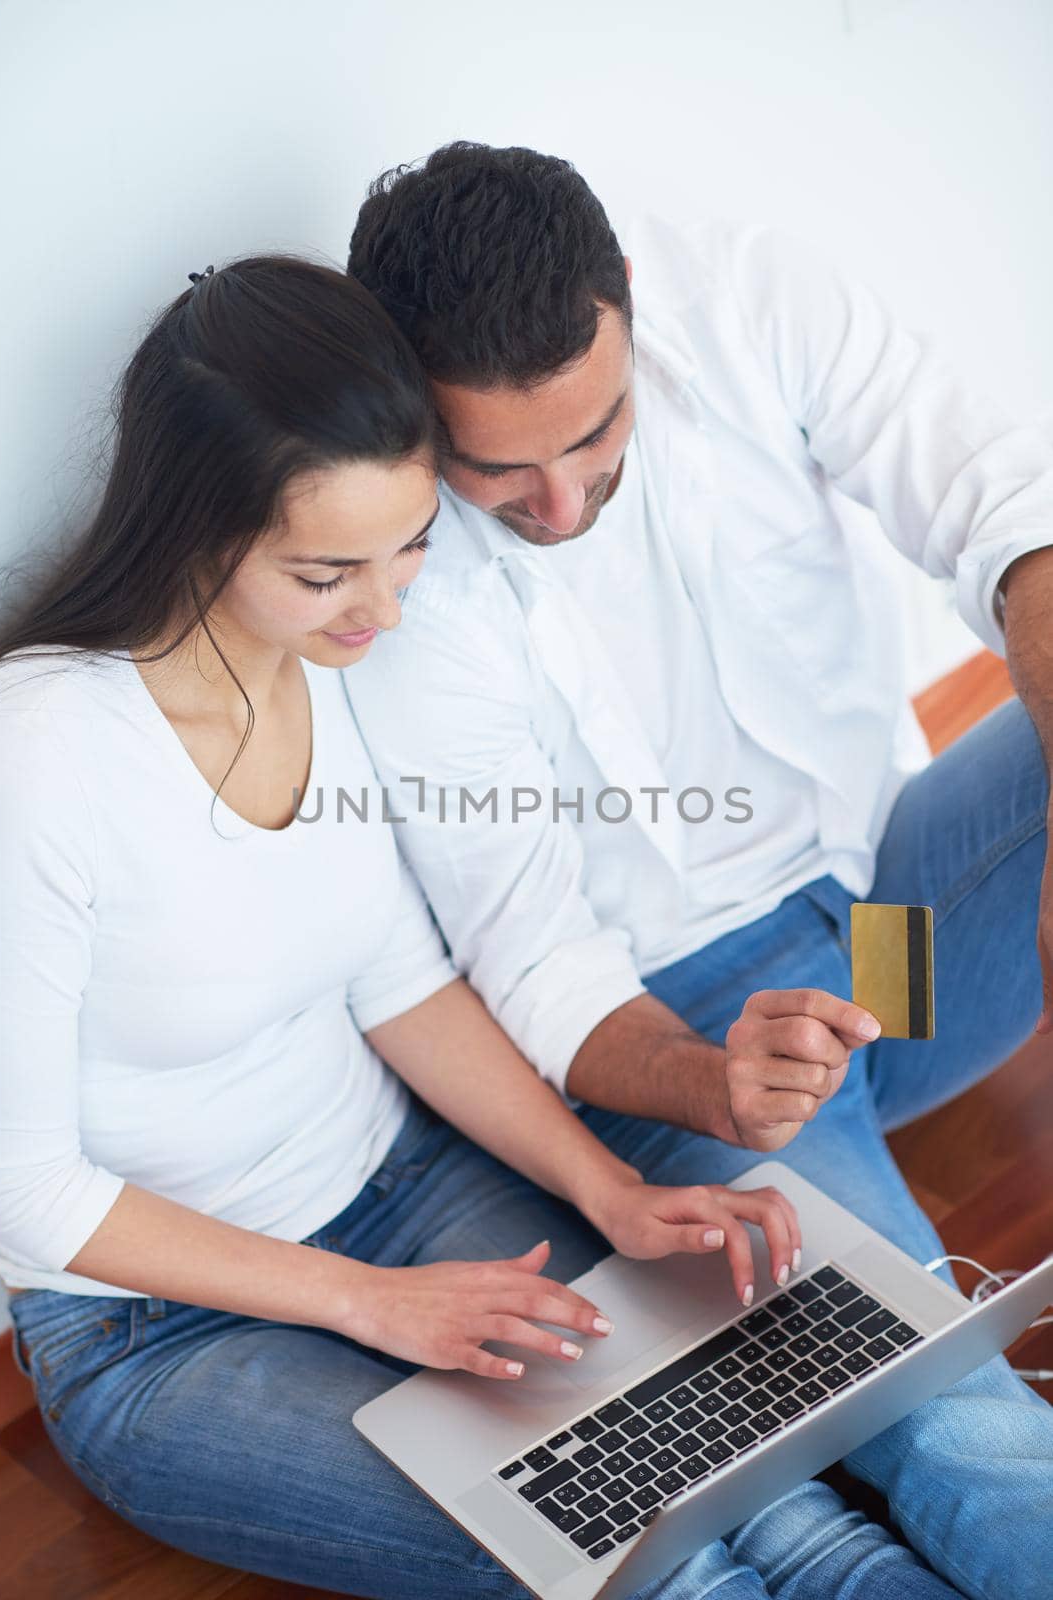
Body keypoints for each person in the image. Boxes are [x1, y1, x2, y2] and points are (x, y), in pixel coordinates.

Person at [0, 255, 963, 1600]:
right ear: (196, 528)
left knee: (774, 1487)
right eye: (331, 570)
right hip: (158, 1333)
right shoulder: (38, 755)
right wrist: (371, 1305)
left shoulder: (315, 666)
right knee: (651, 1556)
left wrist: (605, 1191)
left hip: (407, 1192)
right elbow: (24, 1193)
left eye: (410, 548)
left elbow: (405, 986)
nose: (386, 610)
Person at [343, 142, 1053, 1599]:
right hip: (704, 1028)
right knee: (935, 1394)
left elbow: (1007, 503)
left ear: (628, 323)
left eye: (595, 434)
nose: (559, 499)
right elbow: (537, 964)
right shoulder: (396, 589)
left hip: (890, 938)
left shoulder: (738, 294)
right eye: (499, 467)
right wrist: (711, 1088)